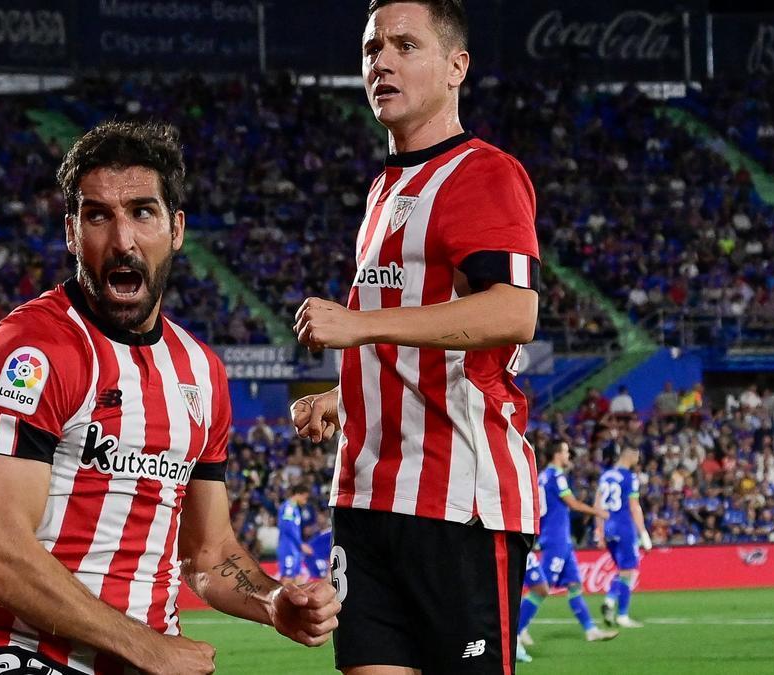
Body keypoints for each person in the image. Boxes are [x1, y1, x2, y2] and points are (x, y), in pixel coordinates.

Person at [0, 121, 339, 675]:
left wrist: (272, 602)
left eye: (142, 212)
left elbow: (208, 554)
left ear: (176, 229)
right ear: (71, 231)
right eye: (98, 215)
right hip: (23, 655)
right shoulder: (34, 349)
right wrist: (145, 645)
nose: (122, 239)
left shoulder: (202, 371)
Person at [290, 1, 542, 672]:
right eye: (373, 49)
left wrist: (360, 326)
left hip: (458, 503)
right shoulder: (384, 191)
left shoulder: (484, 173)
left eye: (406, 45)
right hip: (365, 500)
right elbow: (421, 336)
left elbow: (513, 312)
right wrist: (349, 395)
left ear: (457, 65)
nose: (383, 62)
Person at [516, 442, 616, 647]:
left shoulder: (544, 475)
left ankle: (591, 630)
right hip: (555, 538)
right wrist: (598, 512)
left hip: (561, 538)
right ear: (556, 454)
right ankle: (517, 631)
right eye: (565, 451)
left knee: (574, 585)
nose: (568, 454)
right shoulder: (556, 476)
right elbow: (572, 503)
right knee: (539, 589)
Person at [596, 447, 653, 629]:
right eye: (637, 455)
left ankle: (611, 602)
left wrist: (599, 531)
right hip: (624, 527)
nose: (638, 459)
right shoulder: (630, 477)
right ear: (630, 455)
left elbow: (597, 505)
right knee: (629, 571)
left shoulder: (605, 476)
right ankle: (620, 612)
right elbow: (634, 506)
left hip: (609, 528)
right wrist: (643, 533)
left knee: (623, 571)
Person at [277, 485, 313, 583]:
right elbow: (287, 527)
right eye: (305, 498)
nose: (305, 501)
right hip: (288, 547)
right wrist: (301, 544)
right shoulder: (288, 507)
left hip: (294, 548)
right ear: (298, 494)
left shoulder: (295, 508)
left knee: (297, 578)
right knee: (287, 578)